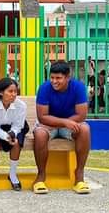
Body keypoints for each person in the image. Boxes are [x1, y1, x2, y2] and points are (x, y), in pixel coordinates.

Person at [33, 61, 91, 194]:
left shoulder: (78, 87)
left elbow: (81, 115)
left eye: (58, 78)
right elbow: (42, 117)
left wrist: (66, 123)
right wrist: (64, 122)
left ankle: (79, 176)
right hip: (50, 125)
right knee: (40, 134)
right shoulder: (44, 88)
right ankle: (41, 176)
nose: (54, 81)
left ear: (67, 77)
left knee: (85, 129)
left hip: (70, 124)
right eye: (52, 78)